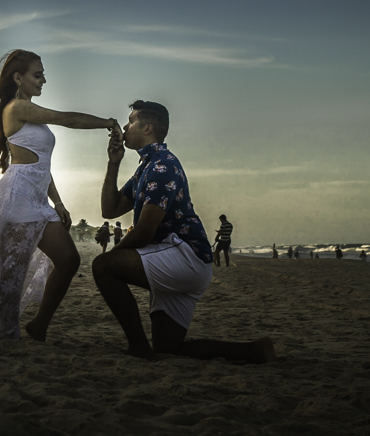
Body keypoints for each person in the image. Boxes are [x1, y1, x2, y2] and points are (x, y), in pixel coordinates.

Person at [0, 50, 119, 341]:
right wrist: (108, 122)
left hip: (37, 197)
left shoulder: (31, 113)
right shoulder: (16, 108)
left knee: (68, 260)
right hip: (16, 196)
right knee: (12, 271)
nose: (43, 80)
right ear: (18, 78)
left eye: (43, 75)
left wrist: (58, 202)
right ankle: (4, 331)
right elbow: (68, 119)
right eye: (38, 75)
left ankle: (38, 325)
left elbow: (41, 166)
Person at [93, 100, 275, 363]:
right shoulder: (147, 166)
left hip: (184, 256)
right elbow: (109, 210)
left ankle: (138, 348)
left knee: (103, 266)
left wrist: (112, 258)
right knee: (169, 348)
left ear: (147, 128)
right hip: (185, 259)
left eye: (131, 121)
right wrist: (113, 164)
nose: (124, 126)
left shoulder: (162, 165)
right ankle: (254, 351)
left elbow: (144, 232)